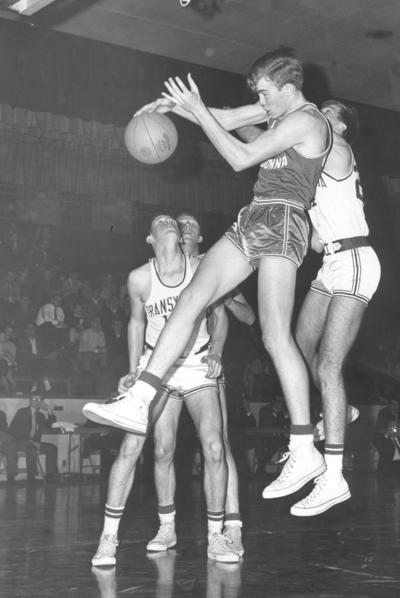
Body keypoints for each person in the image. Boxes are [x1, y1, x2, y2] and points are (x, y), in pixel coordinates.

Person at [83, 48, 331, 499]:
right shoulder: (277, 107)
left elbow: (240, 157)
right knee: (192, 298)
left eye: (265, 93)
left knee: (276, 335)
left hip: (285, 222)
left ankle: (303, 446)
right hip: (255, 216)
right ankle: (142, 397)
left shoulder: (308, 120)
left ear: (289, 89)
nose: (261, 101)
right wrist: (173, 109)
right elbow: (226, 117)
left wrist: (196, 108)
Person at [84, 215, 239, 566]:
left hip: (197, 363)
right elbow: (136, 322)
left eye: (173, 220)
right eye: (161, 221)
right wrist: (131, 369)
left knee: (214, 445)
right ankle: (116, 536)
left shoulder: (200, 268)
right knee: (150, 448)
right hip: (158, 366)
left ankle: (216, 538)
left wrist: (215, 350)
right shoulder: (139, 278)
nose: (169, 223)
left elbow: (220, 316)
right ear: (150, 239)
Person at [288, 100, 381, 516]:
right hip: (332, 263)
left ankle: (334, 476)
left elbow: (282, 141)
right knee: (300, 341)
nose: (316, 113)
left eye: (326, 110)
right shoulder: (316, 154)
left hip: (357, 258)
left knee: (329, 364)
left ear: (340, 124)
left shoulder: (337, 146)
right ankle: (344, 408)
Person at [8, 394, 58, 483]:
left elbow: (51, 426)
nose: (37, 401)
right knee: (31, 449)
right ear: (30, 401)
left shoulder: (40, 416)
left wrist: (49, 410)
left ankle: (49, 476)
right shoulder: (22, 412)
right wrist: (31, 441)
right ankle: (31, 477)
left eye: (39, 399)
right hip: (21, 442)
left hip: (35, 443)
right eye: (35, 399)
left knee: (52, 448)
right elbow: (14, 430)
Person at [373, 399, 400, 476]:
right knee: (388, 449)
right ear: (389, 405)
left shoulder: (398, 413)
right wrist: (389, 431)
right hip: (385, 438)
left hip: (396, 437)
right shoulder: (383, 413)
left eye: (397, 405)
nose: (395, 407)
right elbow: (379, 429)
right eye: (393, 404)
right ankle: (385, 474)